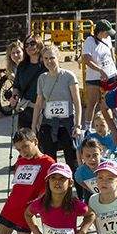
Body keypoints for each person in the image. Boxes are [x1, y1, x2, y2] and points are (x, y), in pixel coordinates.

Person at [0, 128, 53, 234]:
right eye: (19, 149)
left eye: (26, 146)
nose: (23, 152)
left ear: (35, 142)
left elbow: (50, 189)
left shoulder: (48, 163)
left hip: (27, 212)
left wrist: (37, 202)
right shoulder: (20, 161)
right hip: (11, 207)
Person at [32, 42, 83, 170]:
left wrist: (77, 126)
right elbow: (38, 104)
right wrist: (33, 126)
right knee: (49, 162)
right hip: (48, 123)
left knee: (72, 161)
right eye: (46, 58)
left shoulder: (68, 76)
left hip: (67, 123)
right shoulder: (42, 78)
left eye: (52, 58)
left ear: (58, 57)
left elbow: (77, 102)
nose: (49, 61)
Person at [80, 20, 117, 123]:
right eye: (106, 32)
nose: (108, 34)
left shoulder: (108, 39)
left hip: (110, 75)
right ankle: (87, 127)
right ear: (101, 31)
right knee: (92, 103)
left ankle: (115, 123)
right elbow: (86, 59)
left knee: (111, 102)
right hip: (94, 77)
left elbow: (111, 56)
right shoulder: (89, 41)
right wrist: (100, 70)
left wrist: (114, 70)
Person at [10, 38, 45, 131]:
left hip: (44, 110)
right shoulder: (22, 66)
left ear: (39, 44)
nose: (29, 47)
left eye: (32, 43)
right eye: (26, 45)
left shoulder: (46, 65)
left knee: (43, 142)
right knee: (25, 142)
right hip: (26, 110)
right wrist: (14, 97)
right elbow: (16, 86)